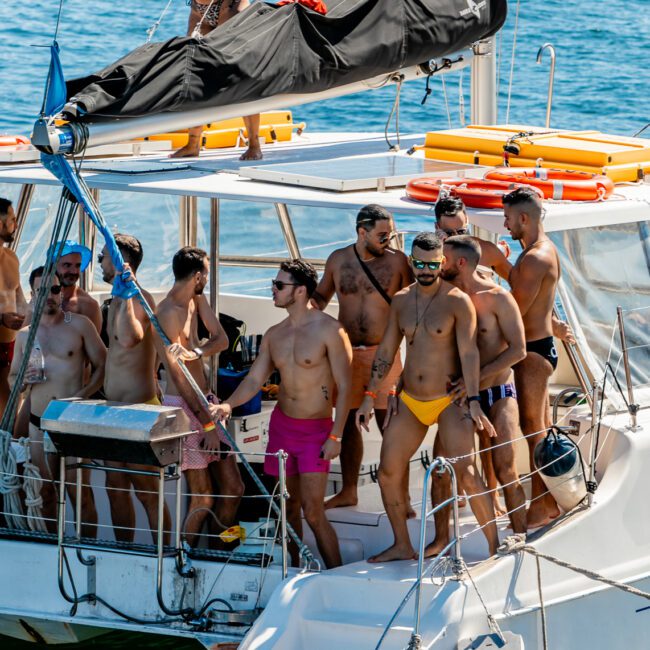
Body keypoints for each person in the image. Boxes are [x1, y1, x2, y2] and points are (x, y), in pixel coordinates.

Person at [356, 232, 498, 562]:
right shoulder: (402, 300)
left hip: (449, 400)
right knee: (388, 473)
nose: (425, 270)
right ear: (411, 260)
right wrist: (370, 396)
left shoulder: (457, 301)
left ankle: (495, 548)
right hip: (411, 401)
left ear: (442, 263)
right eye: (418, 263)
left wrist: (475, 400)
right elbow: (387, 351)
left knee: (466, 472)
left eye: (432, 264)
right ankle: (402, 544)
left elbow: (470, 353)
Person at [215, 260, 352, 568]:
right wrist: (228, 405)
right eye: (273, 284)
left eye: (279, 285)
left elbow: (346, 386)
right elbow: (254, 379)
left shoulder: (331, 330)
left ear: (300, 291)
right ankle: (295, 570)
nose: (273, 290)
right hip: (281, 429)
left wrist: (337, 435)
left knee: (314, 513)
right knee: (286, 513)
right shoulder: (274, 334)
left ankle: (336, 574)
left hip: (316, 431)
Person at [311, 204, 412, 510]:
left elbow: (413, 304)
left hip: (385, 353)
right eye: (383, 235)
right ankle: (349, 490)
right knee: (349, 422)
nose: (389, 240)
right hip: (347, 356)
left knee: (391, 427)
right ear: (362, 232)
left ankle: (402, 497)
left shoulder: (398, 263)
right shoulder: (338, 260)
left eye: (391, 233)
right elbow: (319, 299)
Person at [154, 246, 244, 547]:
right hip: (184, 406)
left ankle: (220, 552)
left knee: (234, 487)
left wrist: (197, 351)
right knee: (202, 494)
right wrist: (207, 427)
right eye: (207, 271)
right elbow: (179, 380)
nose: (208, 277)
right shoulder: (166, 313)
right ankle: (186, 556)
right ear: (197, 275)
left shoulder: (196, 298)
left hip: (206, 400)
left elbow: (222, 339)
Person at [9, 268, 106, 537]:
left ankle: (87, 549)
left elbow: (102, 364)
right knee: (46, 492)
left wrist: (84, 395)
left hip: (72, 421)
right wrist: (23, 382)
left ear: (60, 291)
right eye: (42, 291)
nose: (49, 296)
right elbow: (12, 378)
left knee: (80, 494)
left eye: (53, 290)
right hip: (39, 423)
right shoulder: (26, 335)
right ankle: (52, 549)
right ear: (33, 294)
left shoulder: (79, 324)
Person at [442, 235, 527, 534]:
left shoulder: (497, 297)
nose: (440, 263)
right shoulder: (444, 294)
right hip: (461, 394)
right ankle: (456, 538)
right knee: (455, 470)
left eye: (444, 258)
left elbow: (519, 350)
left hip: (498, 391)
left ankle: (521, 537)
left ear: (461, 263)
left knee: (505, 469)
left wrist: (475, 382)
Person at [99, 234, 171, 545]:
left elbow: (130, 339)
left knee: (146, 490)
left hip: (140, 411)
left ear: (118, 262)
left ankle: (163, 556)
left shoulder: (138, 298)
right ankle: (123, 550)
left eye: (103, 257)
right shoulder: (115, 297)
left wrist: (127, 294)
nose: (99, 262)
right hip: (114, 411)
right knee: (114, 486)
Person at [503, 186, 565, 528]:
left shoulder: (535, 257)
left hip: (532, 353)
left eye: (509, 218)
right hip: (540, 347)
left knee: (533, 430)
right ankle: (548, 498)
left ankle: (542, 503)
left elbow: (515, 310)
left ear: (524, 218)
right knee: (538, 427)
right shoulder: (542, 250)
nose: (505, 224)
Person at [170, 0, 262, 161]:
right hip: (199, 8)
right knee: (195, 69)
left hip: (230, 4)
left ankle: (254, 145)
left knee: (241, 77)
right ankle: (193, 144)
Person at [434, 196, 512, 279]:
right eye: (449, 233)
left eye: (461, 232)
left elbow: (517, 281)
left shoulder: (486, 250)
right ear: (437, 227)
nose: (456, 238)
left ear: (467, 221)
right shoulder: (429, 256)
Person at [0, 198, 27, 415]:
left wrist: (32, 321)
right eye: (12, 220)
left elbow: (20, 300)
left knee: (11, 400)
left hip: (11, 343)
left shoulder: (11, 257)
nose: (15, 226)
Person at [52, 240, 102, 333]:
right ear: (53, 265)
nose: (74, 271)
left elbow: (93, 346)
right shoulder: (41, 297)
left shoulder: (89, 305)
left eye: (78, 266)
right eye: (67, 265)